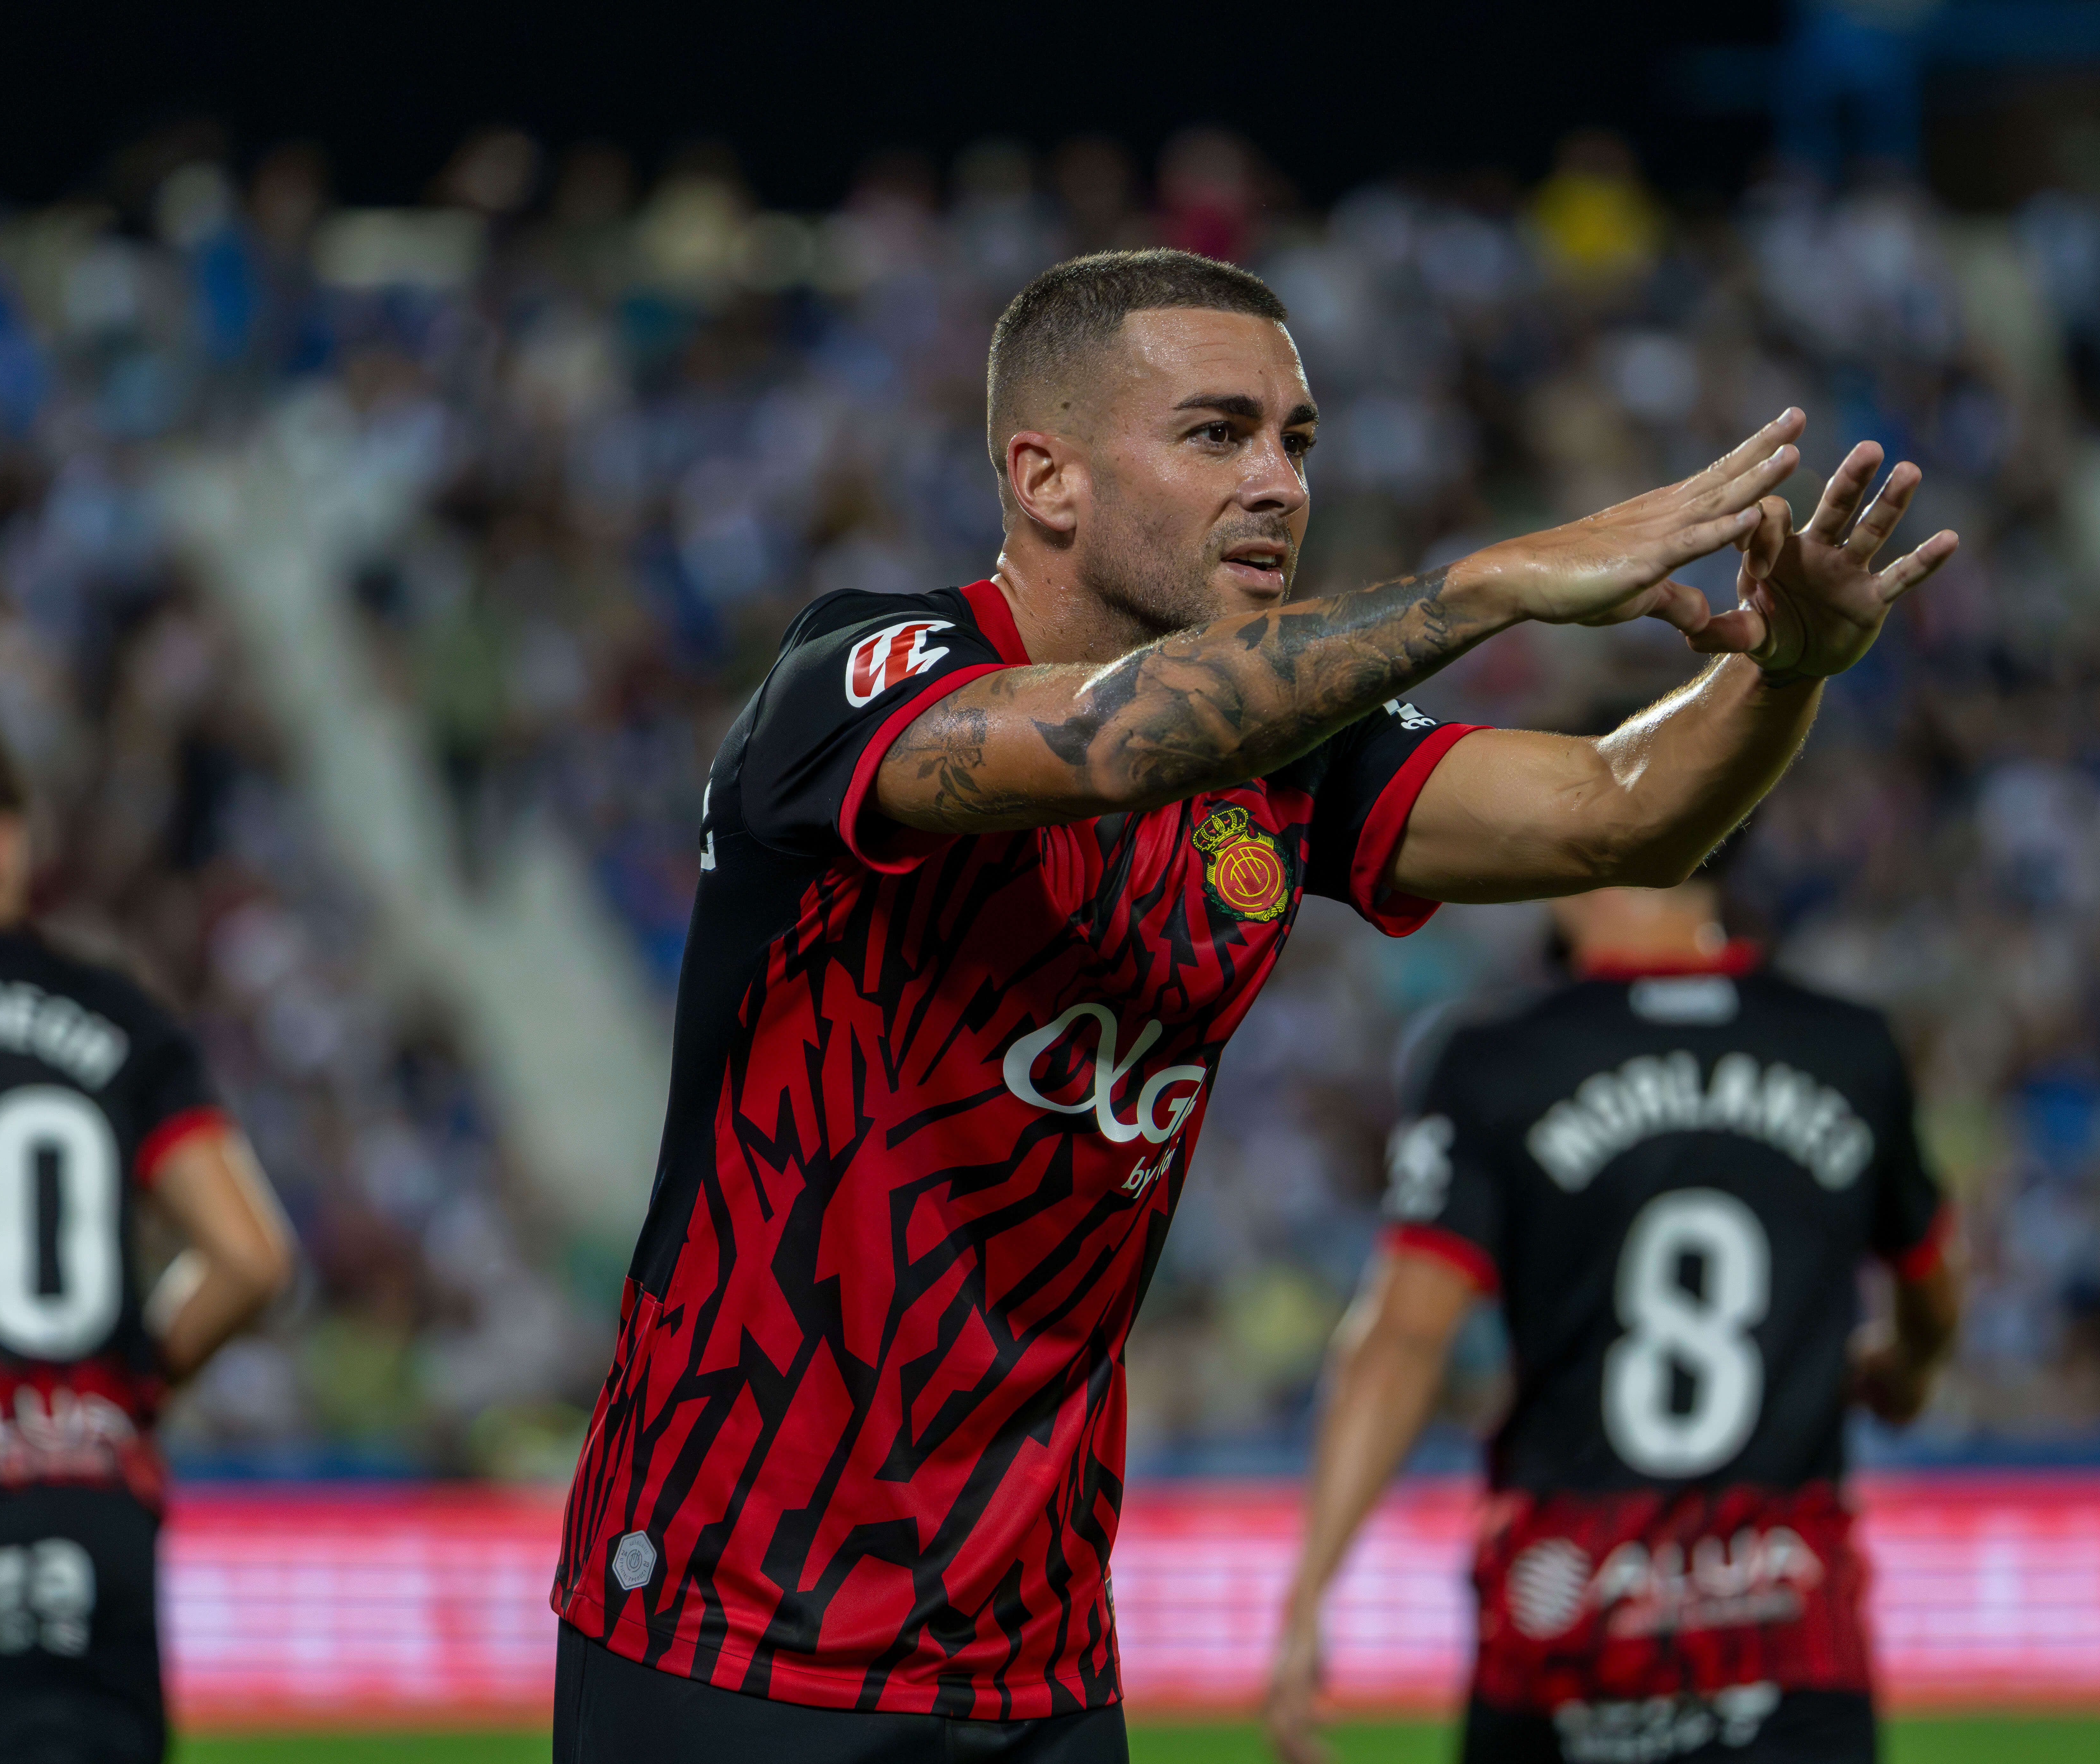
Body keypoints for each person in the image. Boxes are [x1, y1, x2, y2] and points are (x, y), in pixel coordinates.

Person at [551, 247, 1955, 1762]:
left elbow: (1623, 815)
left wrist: (1792, 673)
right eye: (1217, 434)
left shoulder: (1290, 755)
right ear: (1049, 479)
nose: (1279, 483)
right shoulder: (858, 676)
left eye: (1297, 440)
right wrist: (1480, 588)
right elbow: (1104, 745)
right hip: (729, 1620)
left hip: (1033, 1656)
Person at [1263, 866, 1958, 1764]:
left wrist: (1310, 1592)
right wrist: (1905, 1368)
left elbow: (1404, 1335)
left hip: (1567, 1620)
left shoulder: (1500, 1057)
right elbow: (1934, 1272)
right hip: (1784, 1624)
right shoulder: (1849, 1046)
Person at [0, 712, 297, 1763]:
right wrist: (126, 1382)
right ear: (4, 843)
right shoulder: (111, 1013)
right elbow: (249, 1256)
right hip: (74, 1522)